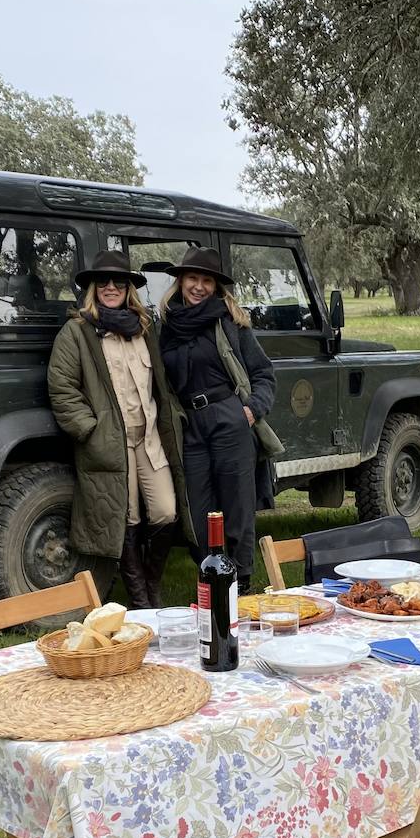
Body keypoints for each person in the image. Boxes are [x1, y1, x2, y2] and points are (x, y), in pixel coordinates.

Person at [47, 251, 191, 608]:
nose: (111, 287)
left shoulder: (144, 329)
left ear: (130, 289)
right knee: (124, 517)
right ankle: (142, 600)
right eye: (104, 282)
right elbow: (62, 388)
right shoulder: (77, 332)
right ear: (93, 289)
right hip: (110, 443)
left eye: (119, 282)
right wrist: (91, 431)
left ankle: (151, 583)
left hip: (150, 439)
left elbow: (159, 382)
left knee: (165, 511)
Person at [158, 246, 276, 594]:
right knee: (198, 507)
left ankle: (243, 583)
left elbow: (264, 373)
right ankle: (213, 577)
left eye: (206, 280)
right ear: (180, 281)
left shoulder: (229, 321)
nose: (198, 286)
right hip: (190, 422)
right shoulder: (166, 326)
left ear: (216, 286)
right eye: (192, 278)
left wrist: (252, 409)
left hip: (228, 416)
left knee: (237, 504)